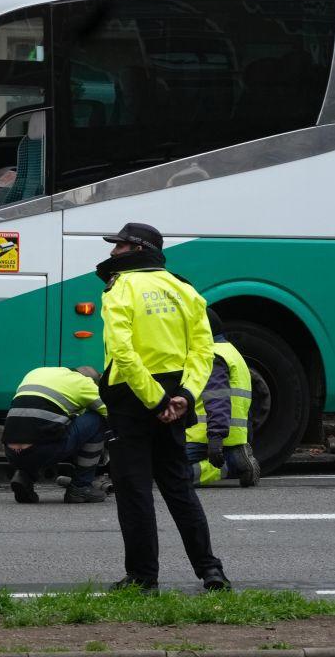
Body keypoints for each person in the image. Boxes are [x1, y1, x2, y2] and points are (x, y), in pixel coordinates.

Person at [97, 222, 230, 592]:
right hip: (176, 394)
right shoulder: (184, 288)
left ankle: (143, 578)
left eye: (119, 247)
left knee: (134, 489)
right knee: (178, 486)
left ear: (137, 249)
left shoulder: (120, 289)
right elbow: (203, 350)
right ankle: (210, 570)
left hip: (134, 396)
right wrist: (184, 396)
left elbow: (123, 353)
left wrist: (153, 399)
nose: (112, 253)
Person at [4, 366, 109, 504]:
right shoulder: (84, 383)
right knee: (97, 420)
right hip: (44, 450)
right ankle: (81, 487)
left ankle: (24, 476)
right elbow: (111, 412)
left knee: (38, 428)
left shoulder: (35, 373)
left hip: (11, 452)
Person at [185, 309, 259, 487]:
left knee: (171, 473)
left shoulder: (212, 356)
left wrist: (215, 438)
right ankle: (235, 457)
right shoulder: (231, 352)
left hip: (206, 437)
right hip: (232, 436)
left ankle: (232, 464)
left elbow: (217, 398)